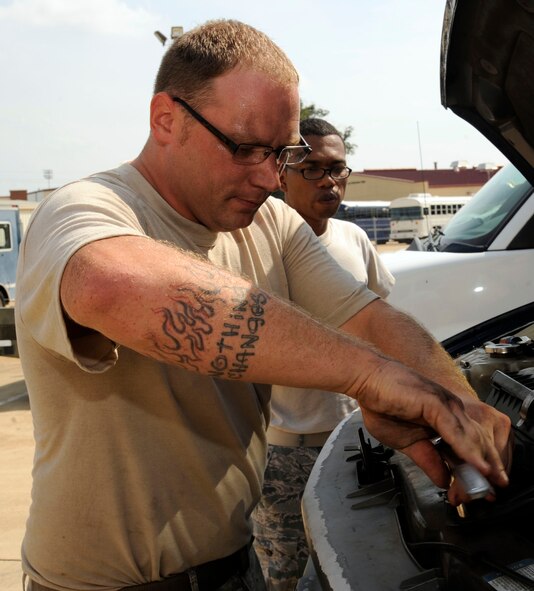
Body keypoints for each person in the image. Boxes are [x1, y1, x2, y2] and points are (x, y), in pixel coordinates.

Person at [15, 19, 511, 591]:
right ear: (166, 119)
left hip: (235, 565)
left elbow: (373, 319)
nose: (268, 177)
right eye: (245, 148)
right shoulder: (86, 209)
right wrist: (371, 378)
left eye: (280, 153)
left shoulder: (271, 223)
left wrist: (463, 410)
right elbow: (108, 285)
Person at [253, 117, 395, 591]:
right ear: (281, 173)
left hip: (356, 444)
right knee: (288, 577)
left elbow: (378, 323)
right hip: (284, 457)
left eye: (337, 168)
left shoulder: (354, 239)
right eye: (312, 168)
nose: (329, 181)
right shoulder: (255, 249)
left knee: (361, 569)